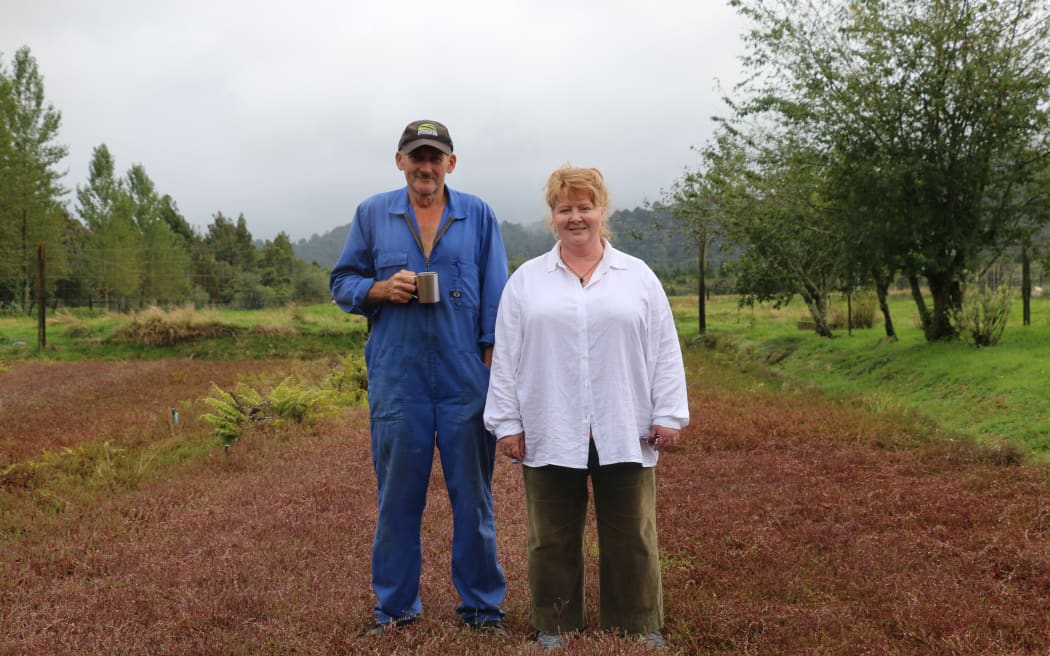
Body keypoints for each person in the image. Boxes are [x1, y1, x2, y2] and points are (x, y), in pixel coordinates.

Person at [483, 165, 689, 650]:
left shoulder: (637, 277)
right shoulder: (527, 282)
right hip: (550, 424)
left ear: (602, 211)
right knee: (550, 536)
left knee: (632, 533)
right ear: (552, 216)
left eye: (584, 207)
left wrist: (668, 413)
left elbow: (663, 348)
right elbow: (506, 355)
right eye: (564, 209)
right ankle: (555, 625)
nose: (575, 217)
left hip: (625, 424)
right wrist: (507, 423)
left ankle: (637, 624)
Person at [330, 120, 508, 634]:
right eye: (416, 157)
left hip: (464, 380)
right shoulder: (372, 214)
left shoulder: (478, 214)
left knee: (473, 499)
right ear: (400, 161)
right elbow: (342, 282)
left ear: (451, 163)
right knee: (397, 501)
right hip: (398, 378)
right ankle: (395, 609)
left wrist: (490, 368)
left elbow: (497, 296)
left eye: (435, 157)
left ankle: (482, 609)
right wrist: (380, 289)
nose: (425, 167)